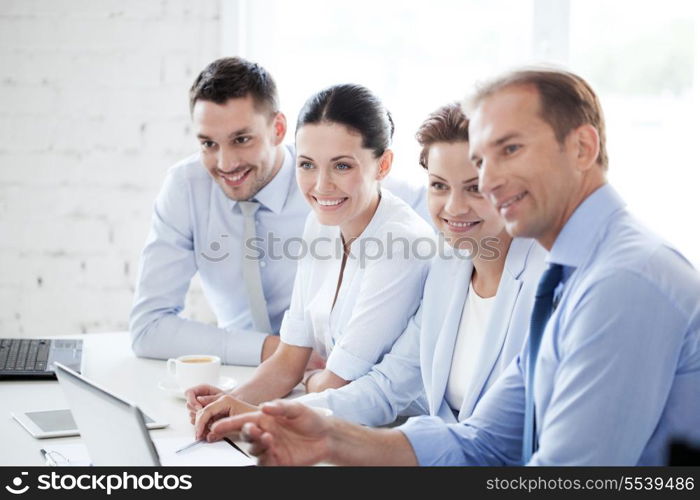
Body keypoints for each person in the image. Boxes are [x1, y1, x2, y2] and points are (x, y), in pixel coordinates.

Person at [205, 68, 700, 466]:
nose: (493, 179)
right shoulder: (567, 273)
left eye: (510, 150)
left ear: (582, 149)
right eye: (484, 160)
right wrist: (330, 438)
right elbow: (484, 440)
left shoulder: (622, 281)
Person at [129, 57, 427, 367]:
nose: (225, 163)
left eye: (241, 140)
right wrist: (277, 352)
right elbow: (148, 328)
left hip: (339, 376)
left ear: (278, 129)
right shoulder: (186, 187)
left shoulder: (336, 181)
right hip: (243, 370)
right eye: (208, 144)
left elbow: (447, 215)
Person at [287, 103, 546, 426]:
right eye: (439, 185)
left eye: (475, 188)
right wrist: (269, 417)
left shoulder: (547, 283)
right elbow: (388, 387)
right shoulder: (447, 270)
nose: (454, 207)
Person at [187, 83, 434, 412]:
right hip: (325, 421)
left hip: (387, 435)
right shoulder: (321, 224)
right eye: (307, 165)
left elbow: (336, 384)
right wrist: (230, 401)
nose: (321, 185)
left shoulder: (400, 245)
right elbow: (290, 358)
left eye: (342, 165)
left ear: (383, 165)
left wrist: (306, 384)